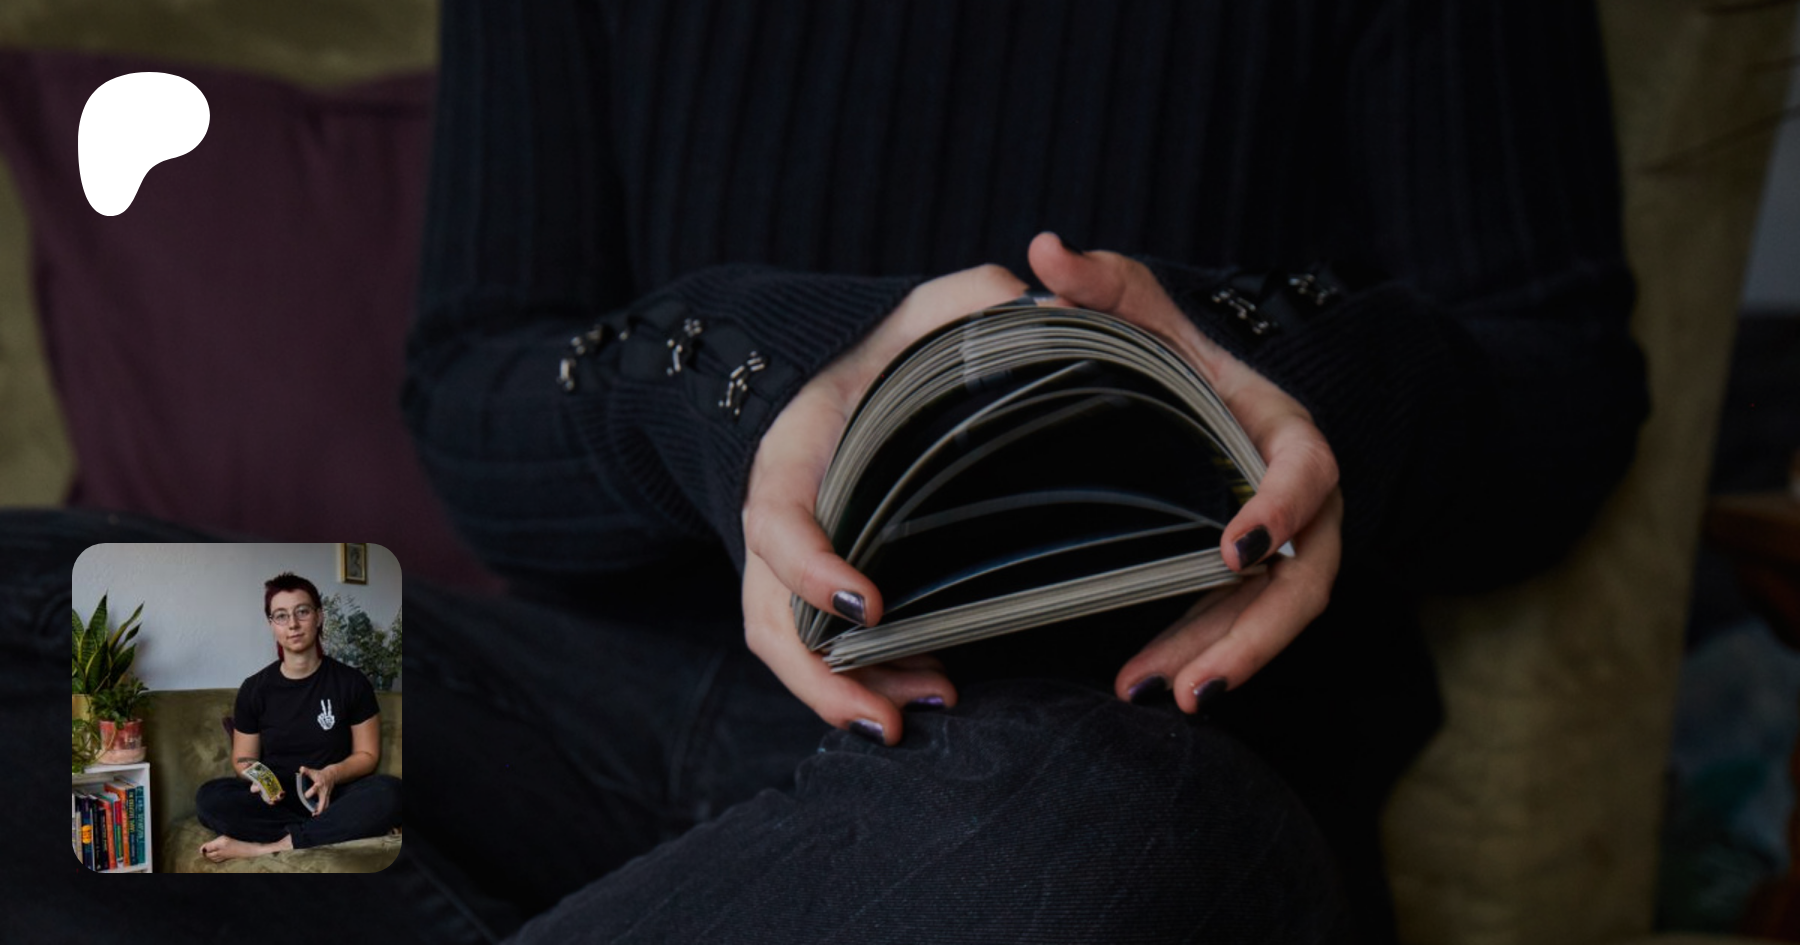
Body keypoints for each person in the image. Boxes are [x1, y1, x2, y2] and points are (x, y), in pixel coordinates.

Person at [391, 0, 1648, 941]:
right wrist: (731, 377)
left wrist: (1282, 379)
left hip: (1105, 753)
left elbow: (1563, 385)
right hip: (601, 724)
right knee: (257, 630)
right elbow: (468, 391)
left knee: (1093, 827)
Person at [192, 571, 402, 862]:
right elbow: (243, 758)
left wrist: (331, 775)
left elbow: (367, 755)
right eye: (281, 616)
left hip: (334, 796)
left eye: (302, 612)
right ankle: (323, 833)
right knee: (210, 798)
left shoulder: (352, 683)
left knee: (391, 792)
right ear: (271, 625)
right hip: (276, 801)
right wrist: (263, 781)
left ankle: (264, 847)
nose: (292, 624)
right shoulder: (254, 689)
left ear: (319, 616)